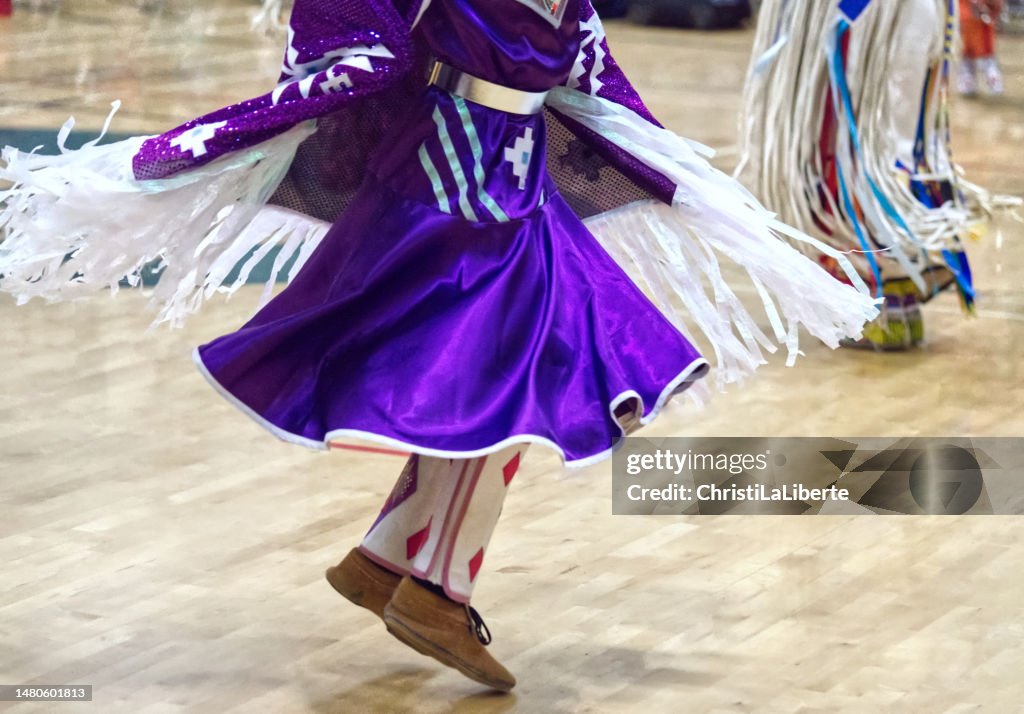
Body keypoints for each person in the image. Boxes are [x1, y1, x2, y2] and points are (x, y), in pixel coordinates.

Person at [0, 0, 877, 691]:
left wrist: (688, 184)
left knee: (519, 378)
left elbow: (588, 73)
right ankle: (437, 591)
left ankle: (387, 557)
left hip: (512, 183)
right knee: (519, 383)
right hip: (451, 195)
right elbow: (359, 37)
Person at [737, 0, 1017, 350]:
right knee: (885, 147)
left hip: (866, 18)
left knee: (857, 148)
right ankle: (891, 298)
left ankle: (871, 299)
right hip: (901, 15)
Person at [958, 0, 1005, 95]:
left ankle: (990, 82)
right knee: (969, 54)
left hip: (977, 18)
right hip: (969, 18)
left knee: (983, 55)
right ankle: (968, 83)